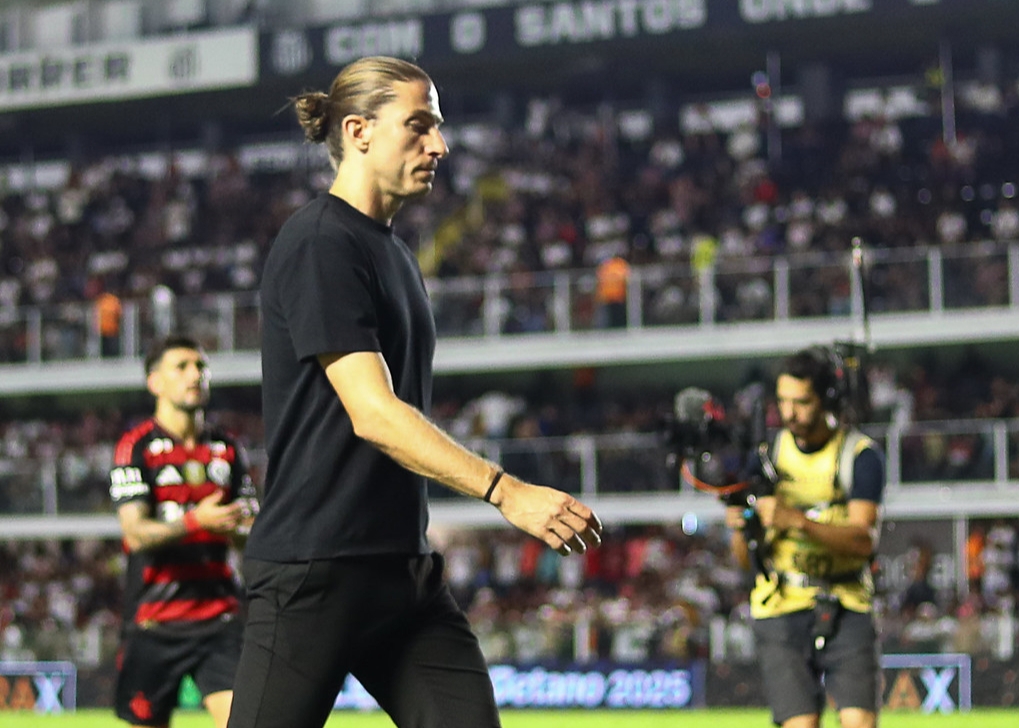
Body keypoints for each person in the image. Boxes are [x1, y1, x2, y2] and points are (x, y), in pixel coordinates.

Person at [227, 56, 602, 728]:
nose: (440, 145)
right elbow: (373, 414)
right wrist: (507, 491)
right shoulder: (319, 242)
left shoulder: (392, 250)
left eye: (439, 127)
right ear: (358, 130)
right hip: (313, 569)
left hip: (402, 572)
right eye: (419, 126)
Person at [726, 347, 884, 728]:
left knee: (859, 723)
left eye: (802, 402)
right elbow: (744, 560)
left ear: (827, 399)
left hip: (846, 600)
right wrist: (739, 527)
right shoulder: (765, 457)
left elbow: (864, 542)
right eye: (783, 401)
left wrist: (796, 520)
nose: (790, 413)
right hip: (781, 604)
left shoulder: (859, 455)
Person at [109, 334, 258, 728]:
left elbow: (249, 534)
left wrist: (242, 528)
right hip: (155, 621)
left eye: (201, 366)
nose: (196, 374)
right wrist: (197, 521)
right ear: (155, 382)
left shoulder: (228, 449)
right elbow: (136, 534)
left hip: (220, 618)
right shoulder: (135, 447)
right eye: (183, 367)